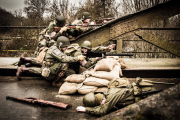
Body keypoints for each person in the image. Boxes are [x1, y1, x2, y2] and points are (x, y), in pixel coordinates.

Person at [16, 36, 86, 86]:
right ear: (60, 45)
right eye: (65, 46)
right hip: (48, 70)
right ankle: (55, 82)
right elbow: (64, 59)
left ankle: (23, 68)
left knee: (71, 72)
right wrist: (77, 58)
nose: (66, 48)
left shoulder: (57, 48)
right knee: (64, 64)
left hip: (50, 66)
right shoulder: (55, 50)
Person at [76, 78, 157, 116]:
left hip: (149, 94)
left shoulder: (110, 96)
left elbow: (102, 111)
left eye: (99, 104)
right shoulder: (110, 92)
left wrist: (86, 109)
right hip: (147, 92)